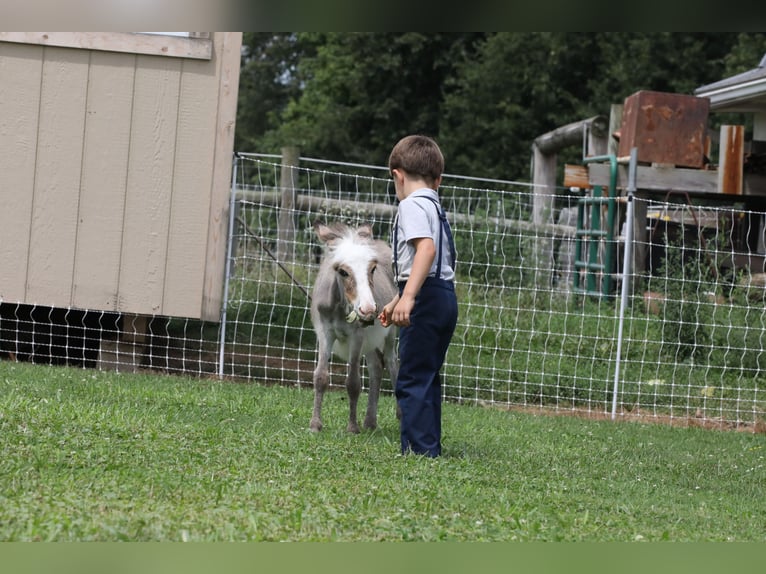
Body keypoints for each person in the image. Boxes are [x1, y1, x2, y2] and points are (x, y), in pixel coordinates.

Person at [378, 134, 458, 458]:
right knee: (427, 376)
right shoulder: (435, 207)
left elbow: (426, 249)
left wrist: (409, 297)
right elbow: (433, 264)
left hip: (424, 297)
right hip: (443, 297)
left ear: (397, 176)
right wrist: (398, 298)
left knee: (411, 375)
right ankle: (428, 446)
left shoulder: (410, 205)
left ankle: (418, 452)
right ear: (437, 179)